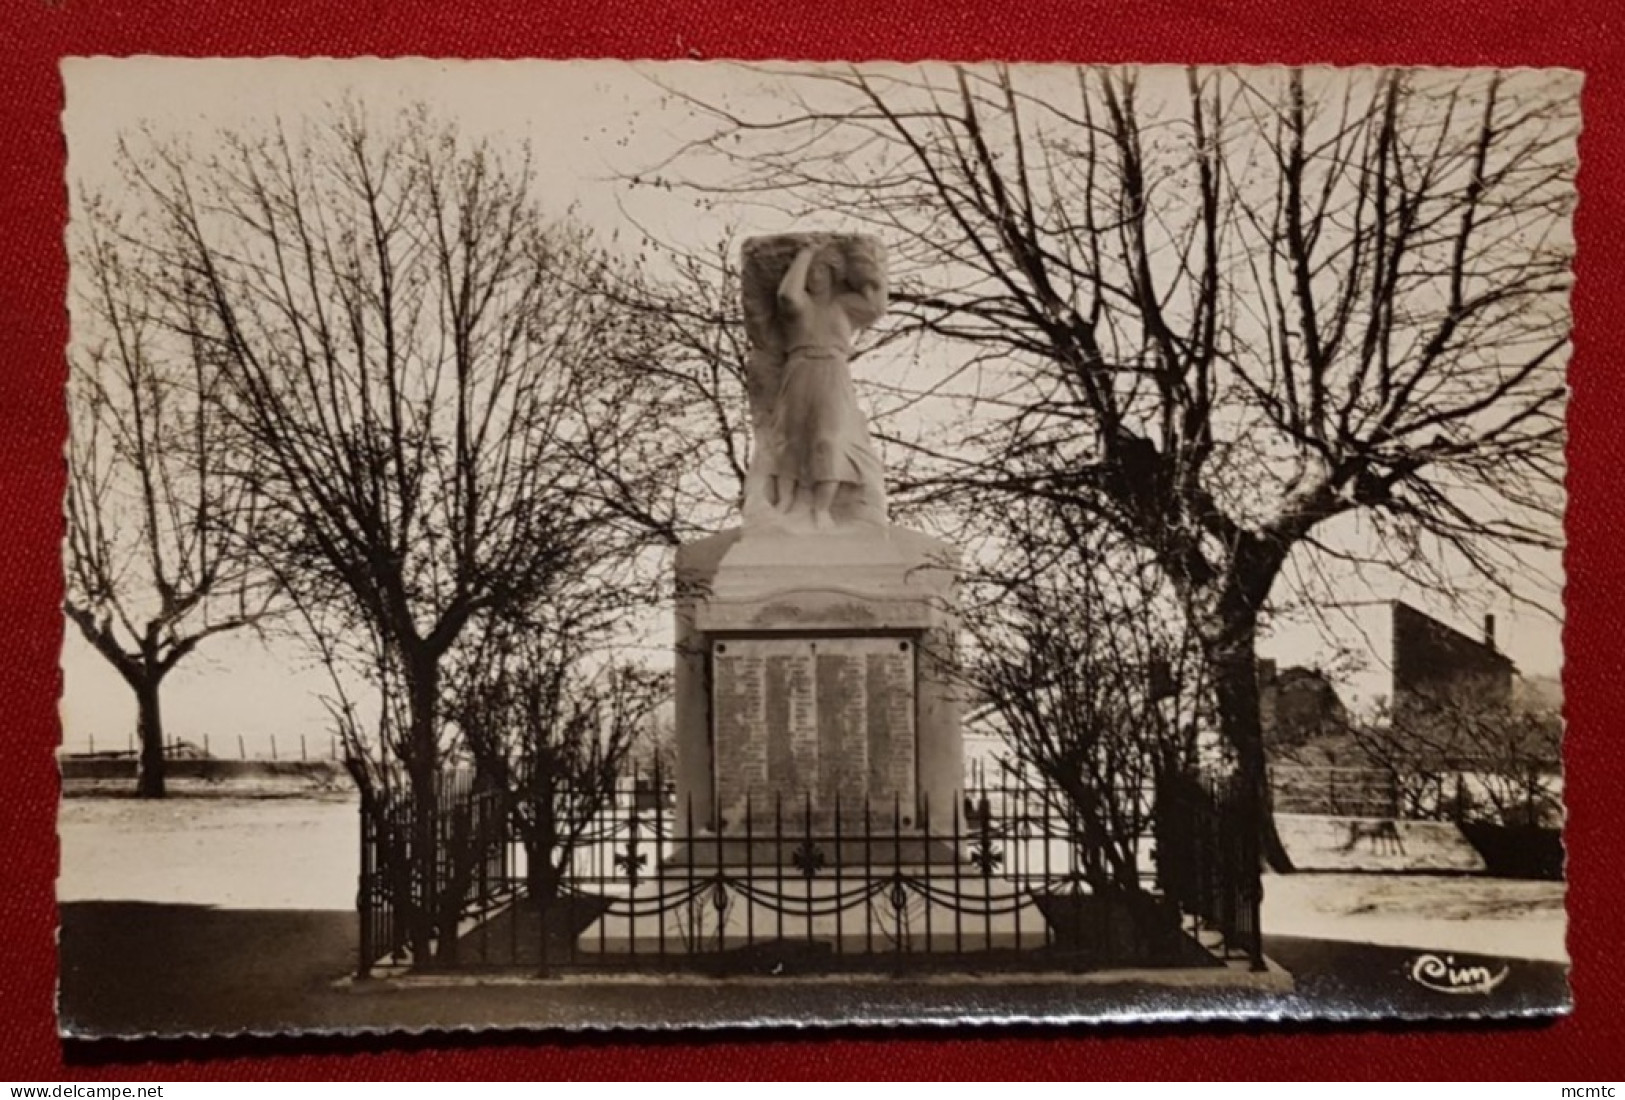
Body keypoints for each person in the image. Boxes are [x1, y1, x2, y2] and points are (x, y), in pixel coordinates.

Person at [764, 240, 886, 531]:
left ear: (834, 274)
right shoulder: (801, 305)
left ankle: (822, 508)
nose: (815, 277)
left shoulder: (844, 305)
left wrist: (865, 270)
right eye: (811, 271)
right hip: (799, 369)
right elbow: (787, 296)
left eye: (822, 270)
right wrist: (805, 254)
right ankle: (784, 502)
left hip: (832, 371)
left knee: (829, 438)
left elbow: (876, 306)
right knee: (791, 438)